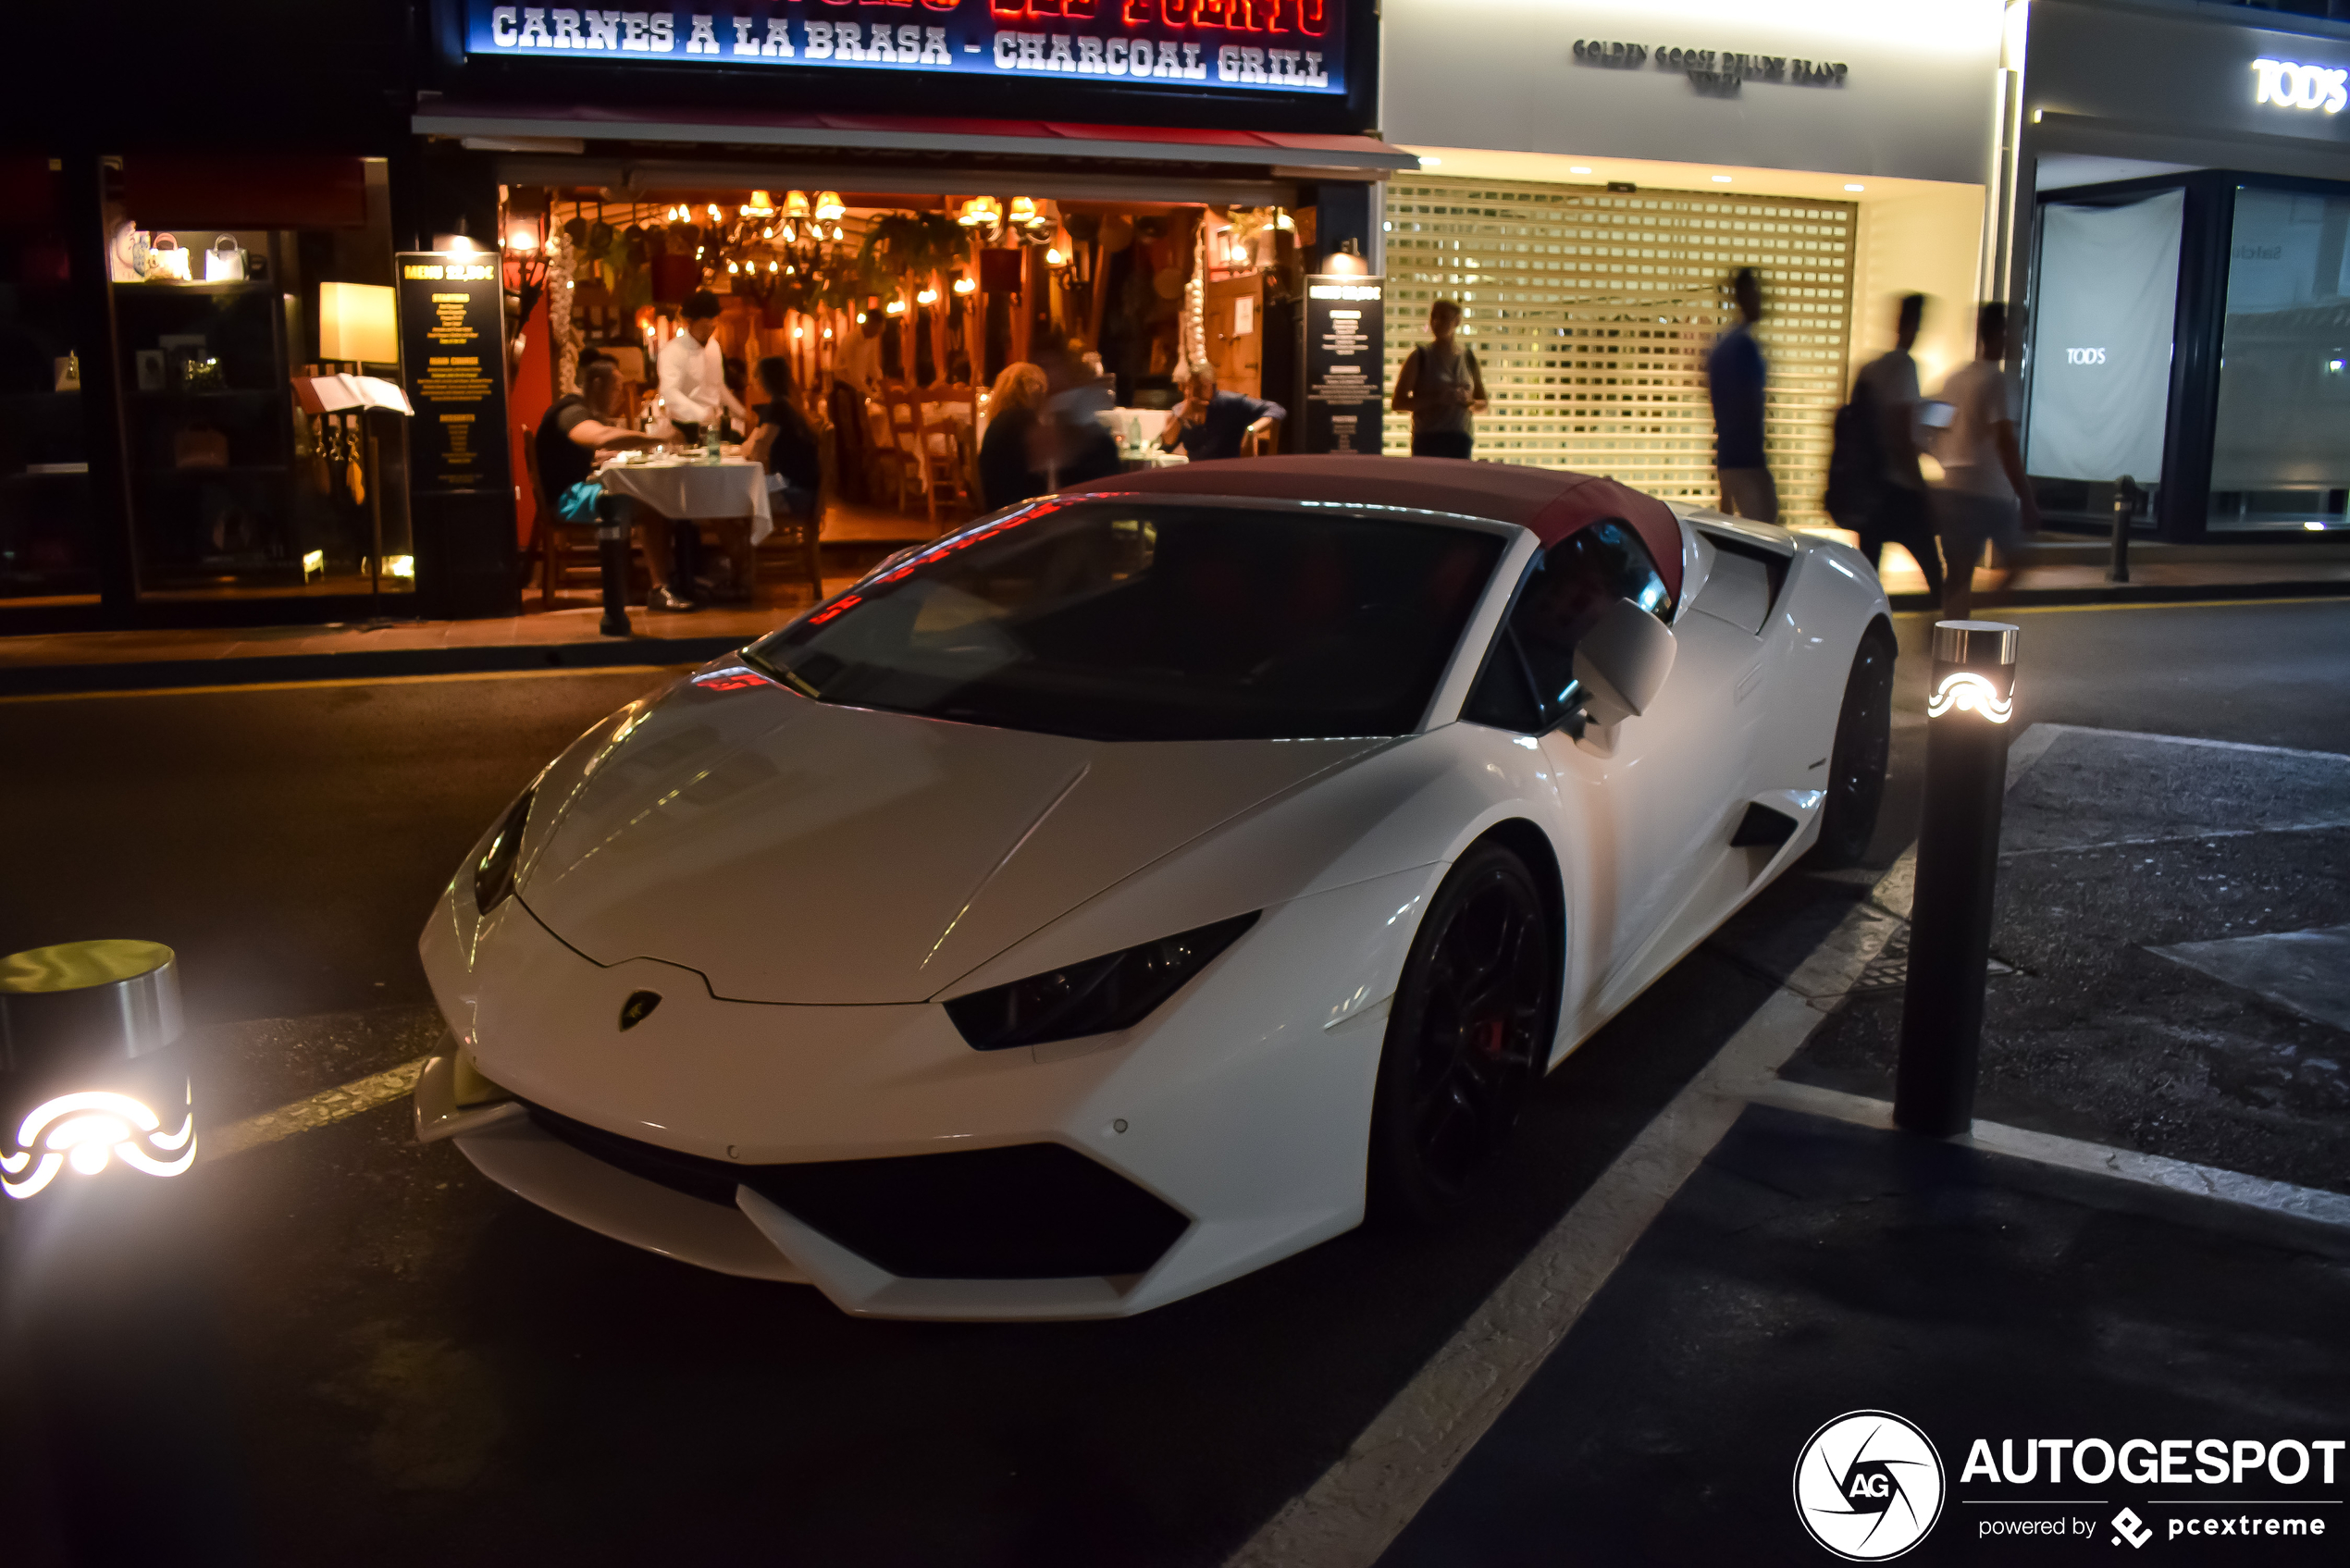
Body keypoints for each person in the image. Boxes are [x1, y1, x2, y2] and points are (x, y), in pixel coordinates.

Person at [534, 354, 692, 629]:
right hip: (566, 499)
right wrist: (658, 438)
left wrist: (605, 456)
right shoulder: (571, 410)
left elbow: (588, 450)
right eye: (616, 388)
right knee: (647, 502)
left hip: (573, 490)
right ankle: (659, 588)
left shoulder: (576, 409)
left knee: (650, 498)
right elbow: (598, 436)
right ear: (597, 384)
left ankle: (667, 580)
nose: (619, 397)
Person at [1932, 301, 2040, 620]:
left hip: (1953, 488)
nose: (2017, 340)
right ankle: (1975, 623)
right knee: (2017, 565)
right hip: (1989, 492)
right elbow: (2005, 442)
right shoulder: (1998, 381)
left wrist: (1946, 459)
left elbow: (1929, 427)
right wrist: (2028, 499)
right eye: (2014, 332)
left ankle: (1951, 633)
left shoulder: (1954, 379)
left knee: (1960, 575)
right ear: (1999, 334)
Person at [1851, 293, 1946, 604]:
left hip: (1870, 486)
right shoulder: (1905, 366)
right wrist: (1921, 488)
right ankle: (1950, 634)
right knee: (1933, 571)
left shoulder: (1870, 369)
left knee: (1867, 577)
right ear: (1912, 324)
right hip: (1899, 487)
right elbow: (1902, 432)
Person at [1707, 269, 1775, 523]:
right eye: (1757, 292)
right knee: (1766, 537)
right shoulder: (1744, 348)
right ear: (1744, 296)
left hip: (1727, 457)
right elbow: (1749, 406)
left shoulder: (1721, 347)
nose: (1762, 300)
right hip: (1747, 459)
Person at [1391, 298, 1487, 460]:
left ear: (1457, 321)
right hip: (1428, 440)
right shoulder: (1420, 357)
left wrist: (1468, 401)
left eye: (1443, 317)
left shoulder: (1468, 358)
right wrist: (1436, 399)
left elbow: (1483, 404)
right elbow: (1398, 403)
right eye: (1433, 317)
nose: (1436, 322)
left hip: (1460, 441)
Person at [1158, 364, 1284, 462]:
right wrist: (1181, 416)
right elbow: (1166, 445)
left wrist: (1252, 430)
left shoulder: (1231, 403)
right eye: (1189, 388)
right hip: (1197, 477)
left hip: (1229, 475)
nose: (1193, 393)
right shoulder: (1180, 411)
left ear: (1212, 386)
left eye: (1200, 388)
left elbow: (1275, 409)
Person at [980, 362, 1049, 511]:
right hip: (1019, 516)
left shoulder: (999, 423)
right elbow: (1040, 486)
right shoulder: (1025, 423)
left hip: (996, 512)